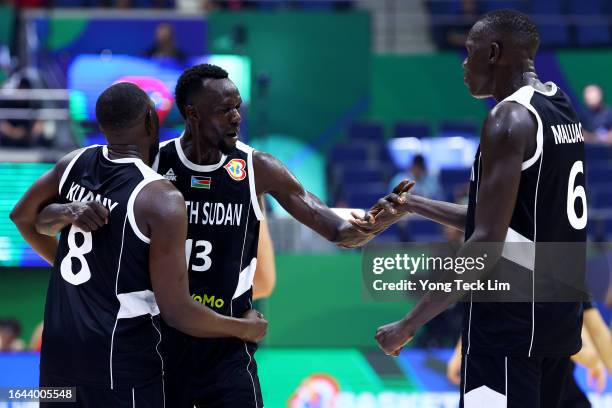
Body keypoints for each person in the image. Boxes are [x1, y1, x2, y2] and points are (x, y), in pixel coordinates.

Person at [353, 10, 588, 407]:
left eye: (470, 52)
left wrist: (409, 324)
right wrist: (412, 205)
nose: (464, 65)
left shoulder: (508, 118)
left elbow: (486, 242)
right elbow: (507, 221)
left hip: (510, 324)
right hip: (556, 321)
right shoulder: (559, 105)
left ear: (493, 53)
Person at [9, 83, 267, 407]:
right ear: (150, 119)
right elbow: (178, 312)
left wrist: (62, 256)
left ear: (102, 125)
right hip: (120, 365)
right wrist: (243, 329)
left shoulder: (73, 163)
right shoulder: (160, 197)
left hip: (58, 360)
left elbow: (22, 217)